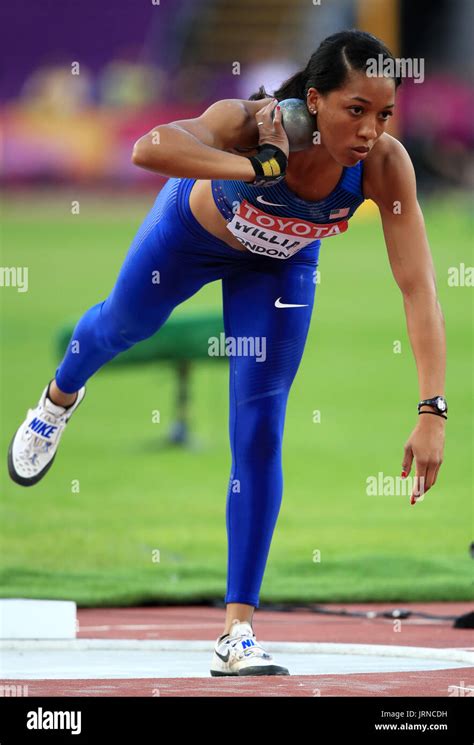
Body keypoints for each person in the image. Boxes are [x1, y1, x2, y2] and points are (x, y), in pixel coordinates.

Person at [7, 30, 447, 677]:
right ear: (316, 99)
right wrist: (255, 167)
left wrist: (432, 407)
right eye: (355, 111)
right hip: (192, 235)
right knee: (121, 326)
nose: (370, 131)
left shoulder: (383, 165)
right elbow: (149, 147)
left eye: (383, 114)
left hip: (278, 267)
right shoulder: (251, 121)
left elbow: (418, 288)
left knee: (261, 429)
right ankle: (58, 398)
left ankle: (236, 630)